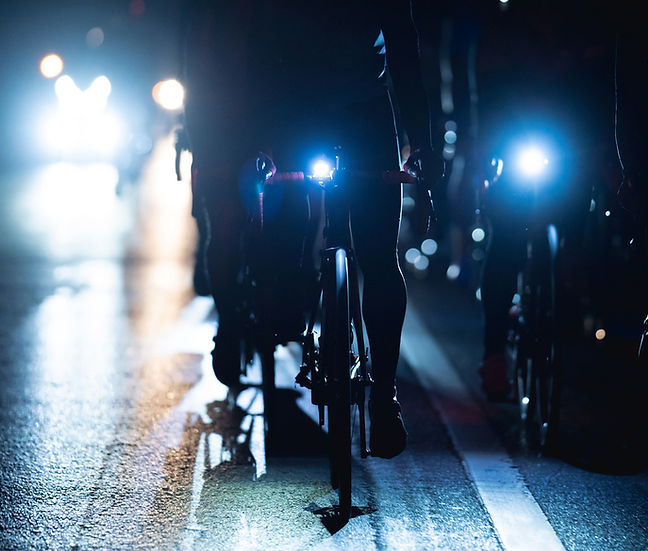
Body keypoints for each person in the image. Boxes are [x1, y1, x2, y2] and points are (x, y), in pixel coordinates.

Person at [179, 0, 440, 459]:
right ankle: (285, 303)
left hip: (362, 114)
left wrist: (421, 142)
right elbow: (260, 52)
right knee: (286, 224)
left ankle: (384, 398)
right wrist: (258, 141)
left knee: (379, 256)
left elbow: (403, 46)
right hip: (295, 107)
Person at [473, 1, 609, 398]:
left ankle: (565, 312)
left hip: (569, 147)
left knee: (573, 237)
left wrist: (600, 147)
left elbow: (598, 89)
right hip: (514, 145)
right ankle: (494, 353)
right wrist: (486, 150)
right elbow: (487, 98)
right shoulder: (502, 33)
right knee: (506, 244)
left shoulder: (581, 27)